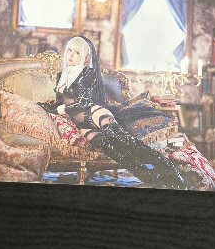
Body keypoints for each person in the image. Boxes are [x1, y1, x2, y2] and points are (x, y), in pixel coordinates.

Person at [37, 36, 187, 190]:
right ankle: (155, 179)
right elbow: (60, 103)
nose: (71, 55)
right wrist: (42, 106)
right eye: (69, 50)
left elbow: (84, 102)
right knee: (117, 153)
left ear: (85, 57)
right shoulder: (62, 76)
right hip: (82, 125)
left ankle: (171, 172)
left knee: (128, 143)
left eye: (77, 53)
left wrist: (63, 109)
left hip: (95, 114)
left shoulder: (88, 73)